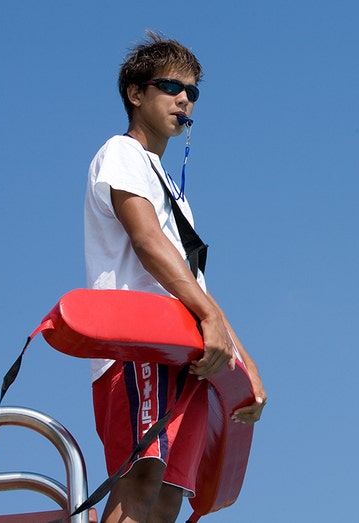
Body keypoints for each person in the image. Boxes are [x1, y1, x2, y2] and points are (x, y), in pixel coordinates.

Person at [83, 31, 266, 523]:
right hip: (140, 347)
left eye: (192, 92)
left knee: (167, 499)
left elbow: (192, 280)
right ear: (135, 93)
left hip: (185, 354)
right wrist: (208, 317)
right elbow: (147, 243)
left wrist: (241, 358)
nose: (184, 99)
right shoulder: (120, 153)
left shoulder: (171, 188)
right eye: (170, 86)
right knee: (141, 481)